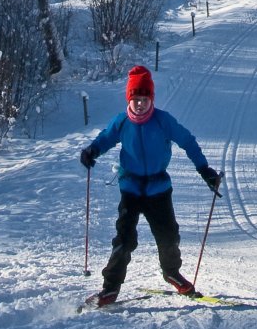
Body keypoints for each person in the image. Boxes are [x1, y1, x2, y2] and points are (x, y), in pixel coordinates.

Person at [79, 65, 221, 306]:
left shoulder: (163, 121)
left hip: (158, 189)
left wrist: (204, 169)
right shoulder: (122, 122)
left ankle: (171, 273)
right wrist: (92, 150)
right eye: (136, 99)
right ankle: (110, 287)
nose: (140, 104)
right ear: (129, 99)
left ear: (151, 99)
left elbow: (188, 141)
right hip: (131, 189)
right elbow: (105, 138)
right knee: (124, 240)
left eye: (145, 99)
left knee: (168, 236)